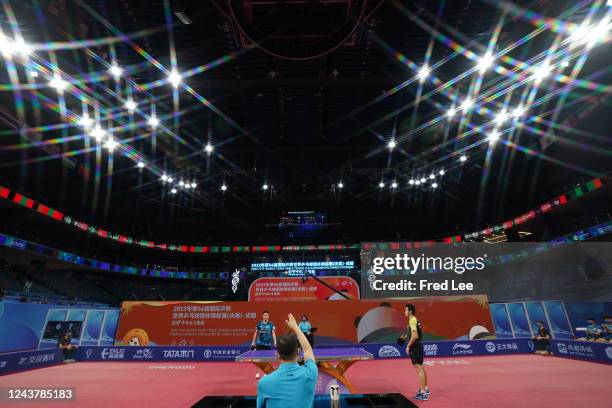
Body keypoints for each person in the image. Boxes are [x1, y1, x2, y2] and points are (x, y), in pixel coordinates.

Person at [256, 313, 317, 408]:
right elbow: (308, 350)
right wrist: (296, 327)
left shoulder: (264, 382)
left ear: (277, 356)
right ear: (298, 351)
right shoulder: (310, 374)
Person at [404, 304, 429, 401]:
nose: (404, 312)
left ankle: (423, 393)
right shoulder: (414, 320)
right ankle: (425, 389)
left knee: (418, 369)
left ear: (410, 311)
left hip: (415, 347)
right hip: (418, 346)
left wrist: (408, 346)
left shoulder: (412, 320)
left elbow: (415, 336)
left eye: (406, 310)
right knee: (421, 368)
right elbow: (413, 333)